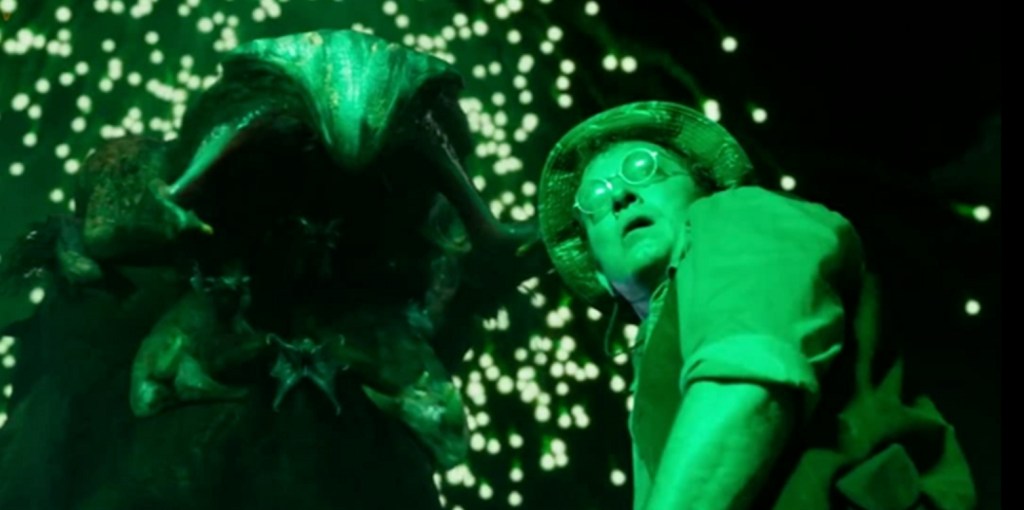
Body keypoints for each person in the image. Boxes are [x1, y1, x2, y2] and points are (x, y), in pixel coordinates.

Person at [537, 101, 976, 509]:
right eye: (594, 200)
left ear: (704, 190)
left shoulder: (733, 214)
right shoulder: (652, 367)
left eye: (643, 168)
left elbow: (749, 385)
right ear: (600, 273)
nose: (619, 197)